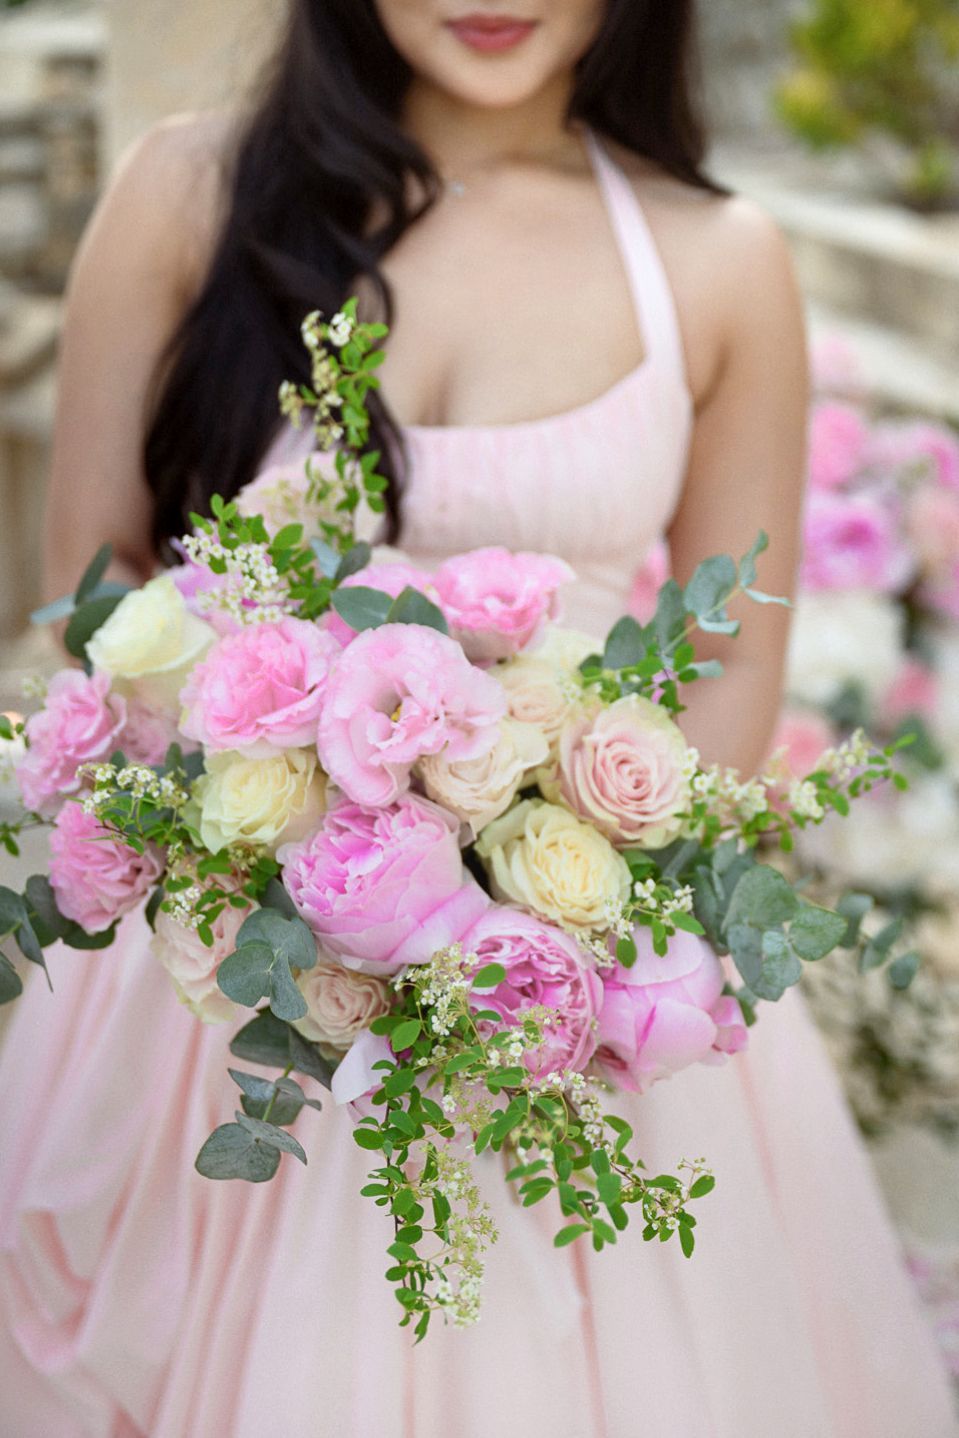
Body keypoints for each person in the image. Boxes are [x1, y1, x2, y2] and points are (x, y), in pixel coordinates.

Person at [1, 3, 955, 1434]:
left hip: (568, 974)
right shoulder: (187, 191)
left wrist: (519, 879)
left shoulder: (718, 261)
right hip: (224, 977)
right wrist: (302, 820)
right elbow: (93, 587)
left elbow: (731, 683)